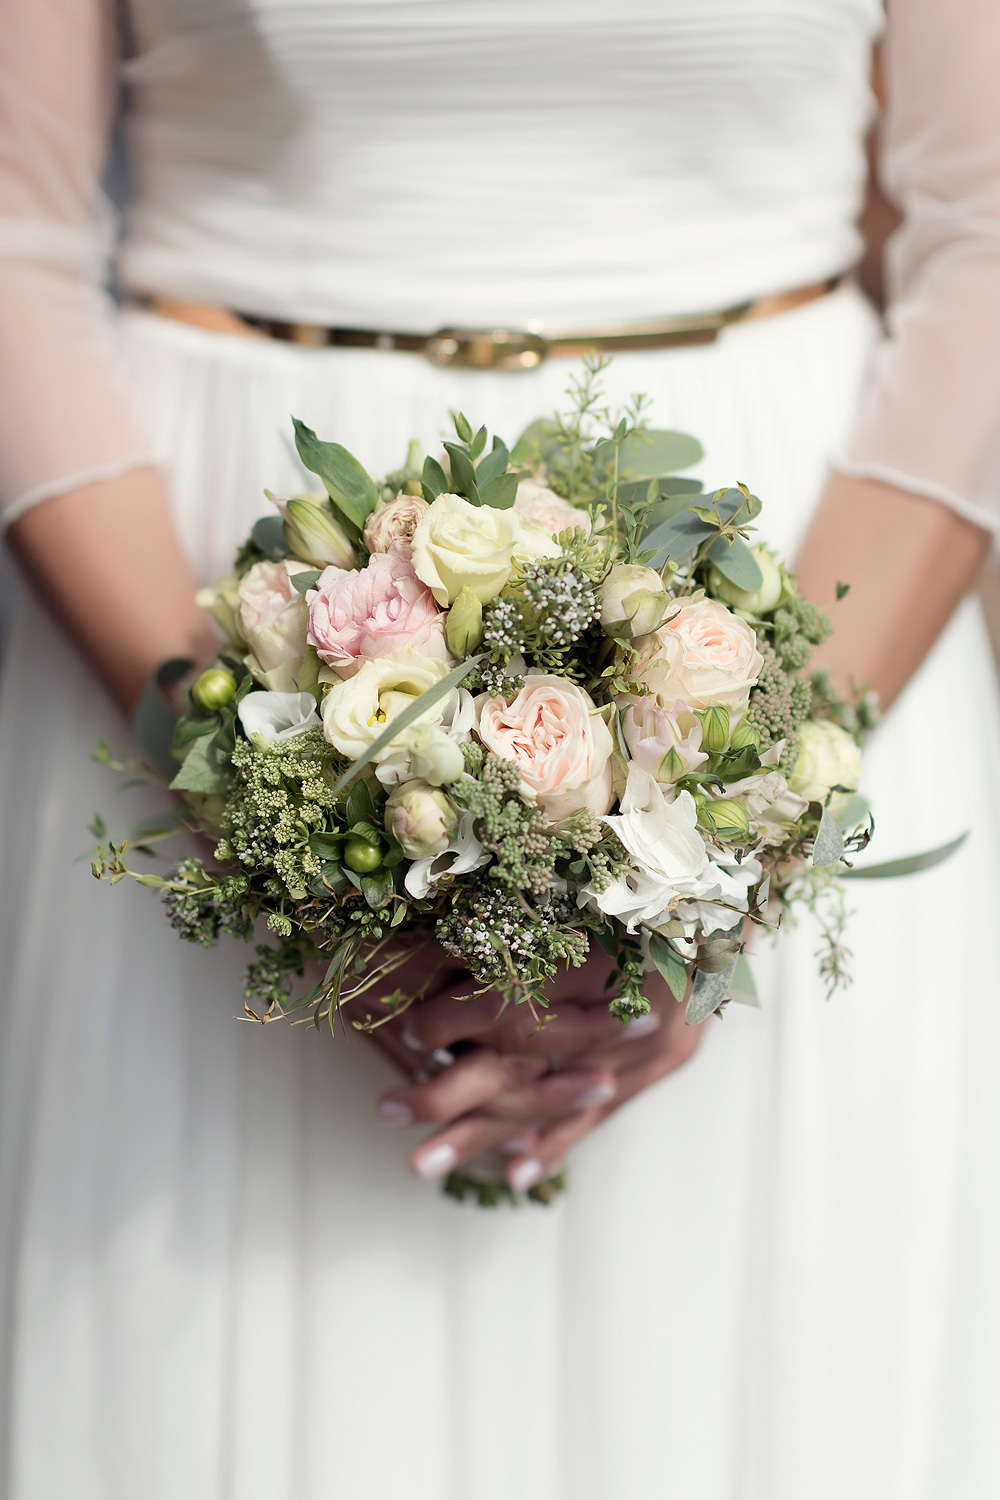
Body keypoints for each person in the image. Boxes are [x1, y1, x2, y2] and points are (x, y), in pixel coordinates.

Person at [2, 1, 999, 1494]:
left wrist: (733, 839)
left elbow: (984, 231)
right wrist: (250, 791)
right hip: (200, 586)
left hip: (798, 572)